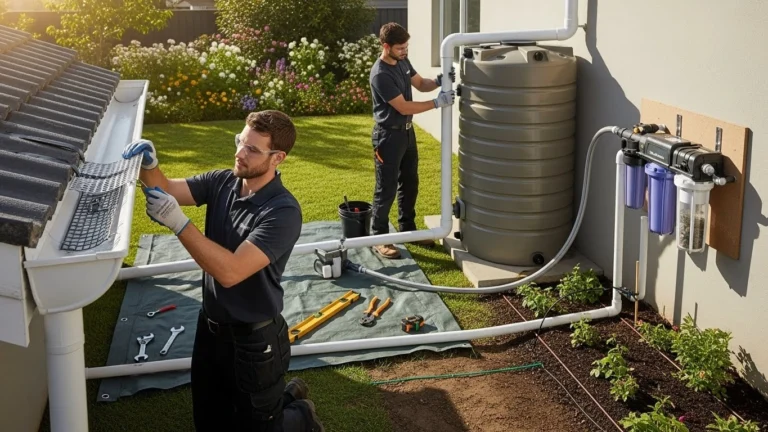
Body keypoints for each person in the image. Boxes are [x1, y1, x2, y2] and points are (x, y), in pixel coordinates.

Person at [122, 110, 324, 432]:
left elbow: (230, 272)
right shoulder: (222, 182)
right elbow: (166, 187)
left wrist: (178, 223)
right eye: (240, 141)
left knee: (258, 427)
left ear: (278, 158)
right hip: (210, 330)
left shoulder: (283, 212)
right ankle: (285, 398)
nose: (239, 153)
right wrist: (149, 167)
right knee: (210, 420)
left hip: (254, 342)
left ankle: (299, 415)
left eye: (252, 149)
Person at [368, 22, 456, 259]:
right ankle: (379, 238)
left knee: (410, 182)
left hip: (407, 133)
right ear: (386, 47)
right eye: (400, 48)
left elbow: (421, 84)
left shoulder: (403, 62)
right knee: (385, 188)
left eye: (406, 46)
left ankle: (408, 230)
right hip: (387, 136)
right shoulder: (380, 74)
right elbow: (403, 106)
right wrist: (437, 103)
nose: (405, 51)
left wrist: (439, 80)